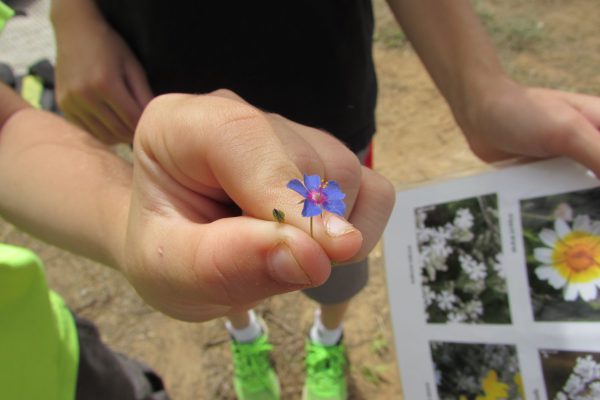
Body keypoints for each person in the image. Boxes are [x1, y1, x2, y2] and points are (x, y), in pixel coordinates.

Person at [50, 1, 600, 399]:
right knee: (212, 250)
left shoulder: (326, 177)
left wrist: (482, 90)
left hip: (326, 94)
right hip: (169, 85)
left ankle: (327, 337)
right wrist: (72, 13)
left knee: (337, 254)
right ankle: (244, 332)